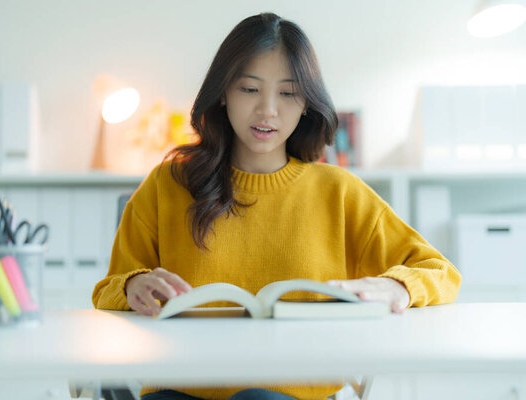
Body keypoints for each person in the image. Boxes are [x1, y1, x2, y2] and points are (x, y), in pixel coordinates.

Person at [92, 12, 461, 400]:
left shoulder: (339, 192)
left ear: (306, 103)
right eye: (249, 89)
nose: (268, 110)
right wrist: (134, 284)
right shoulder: (167, 185)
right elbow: (107, 290)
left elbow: (440, 272)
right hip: (180, 390)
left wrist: (396, 287)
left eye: (287, 93)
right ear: (223, 93)